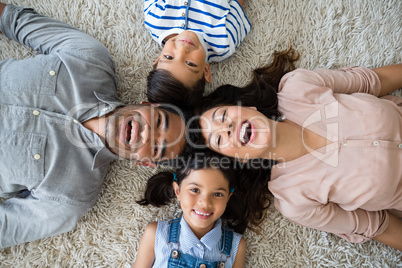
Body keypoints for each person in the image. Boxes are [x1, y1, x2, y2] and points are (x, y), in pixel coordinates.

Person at [0, 3, 187, 248]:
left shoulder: (72, 197)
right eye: (159, 121)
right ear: (148, 104)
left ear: (144, 162)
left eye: (156, 148)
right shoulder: (91, 58)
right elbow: (13, 20)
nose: (146, 134)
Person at [197, 47, 402, 251]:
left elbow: (372, 82)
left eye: (223, 116)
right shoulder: (294, 201)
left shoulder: (298, 87)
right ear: (240, 160)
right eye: (219, 139)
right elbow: (376, 225)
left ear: (249, 108)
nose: (227, 128)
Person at [132, 152, 271, 267]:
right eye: (195, 190)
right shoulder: (156, 234)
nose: (205, 203)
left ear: (228, 197)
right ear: (178, 191)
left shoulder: (236, 246)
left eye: (217, 194)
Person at [143, 0, 251, 109]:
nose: (183, 50)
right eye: (190, 63)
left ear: (157, 60)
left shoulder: (155, 21)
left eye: (169, 57)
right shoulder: (223, 43)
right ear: (205, 71)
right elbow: (238, 5)